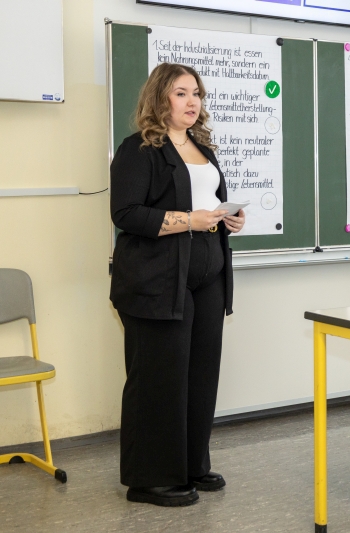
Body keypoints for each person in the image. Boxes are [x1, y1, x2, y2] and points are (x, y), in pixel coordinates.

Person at [110, 63, 245, 507]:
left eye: (197, 94)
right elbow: (126, 214)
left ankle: (190, 464)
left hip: (207, 273)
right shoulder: (139, 149)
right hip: (157, 278)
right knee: (159, 377)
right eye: (181, 93)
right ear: (159, 98)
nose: (192, 102)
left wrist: (228, 216)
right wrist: (189, 220)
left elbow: (205, 202)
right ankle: (150, 479)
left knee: (200, 373)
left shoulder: (201, 146)